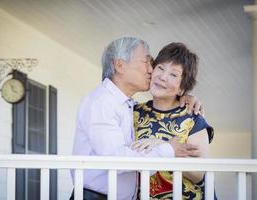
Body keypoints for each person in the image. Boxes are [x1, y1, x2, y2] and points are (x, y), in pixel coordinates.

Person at [70, 37, 203, 200]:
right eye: (146, 62)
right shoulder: (102, 102)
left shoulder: (128, 106)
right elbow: (116, 158)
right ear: (120, 65)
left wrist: (184, 97)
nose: (151, 70)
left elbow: (199, 172)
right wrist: (168, 149)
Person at [133, 42, 215, 199]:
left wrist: (161, 146)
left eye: (173, 75)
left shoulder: (192, 117)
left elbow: (198, 173)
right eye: (161, 68)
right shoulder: (135, 113)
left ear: (182, 88)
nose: (163, 77)